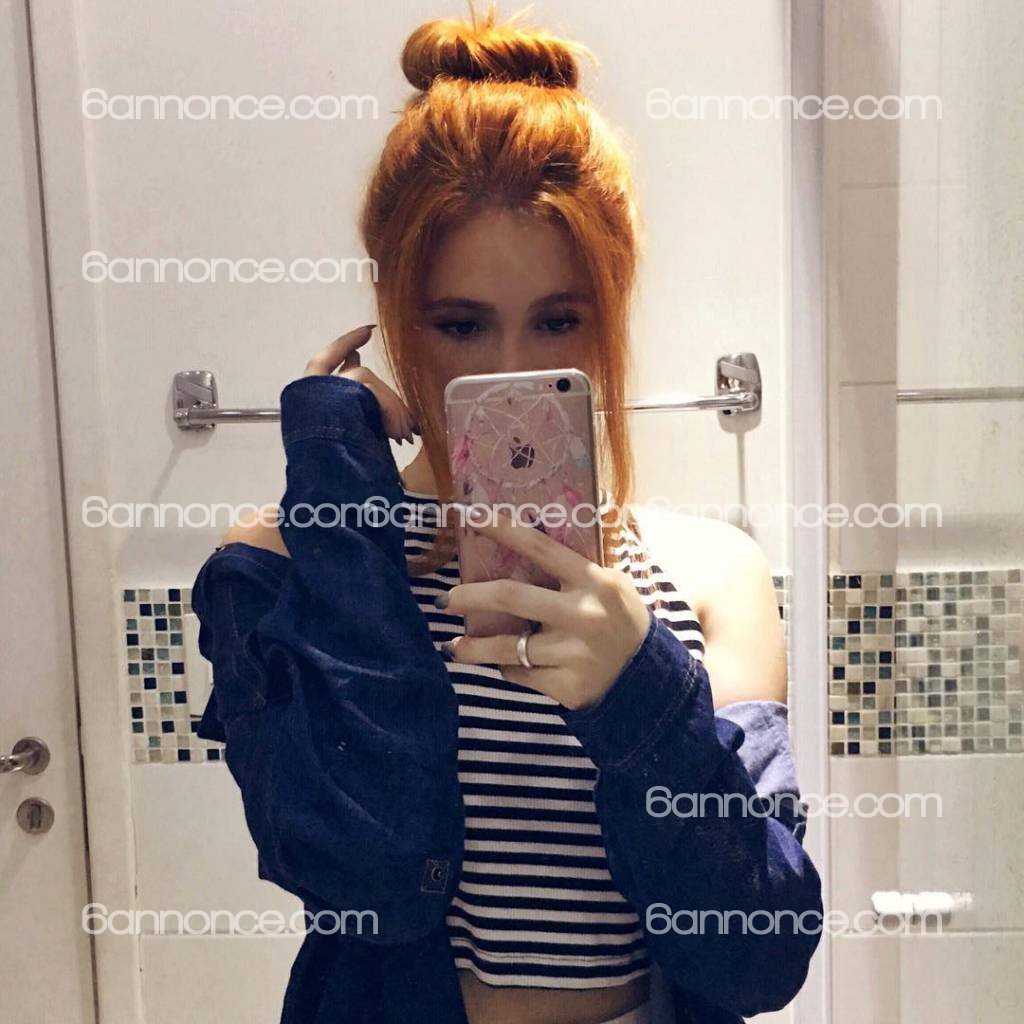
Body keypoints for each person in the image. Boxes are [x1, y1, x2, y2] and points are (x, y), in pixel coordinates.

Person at [191, 6, 823, 1023]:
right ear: (396, 315)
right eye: (460, 324)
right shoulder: (286, 562)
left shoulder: (709, 574)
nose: (511, 372)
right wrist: (339, 491)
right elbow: (363, 876)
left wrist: (636, 693)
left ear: (611, 305)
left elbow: (758, 958)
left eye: (559, 319)